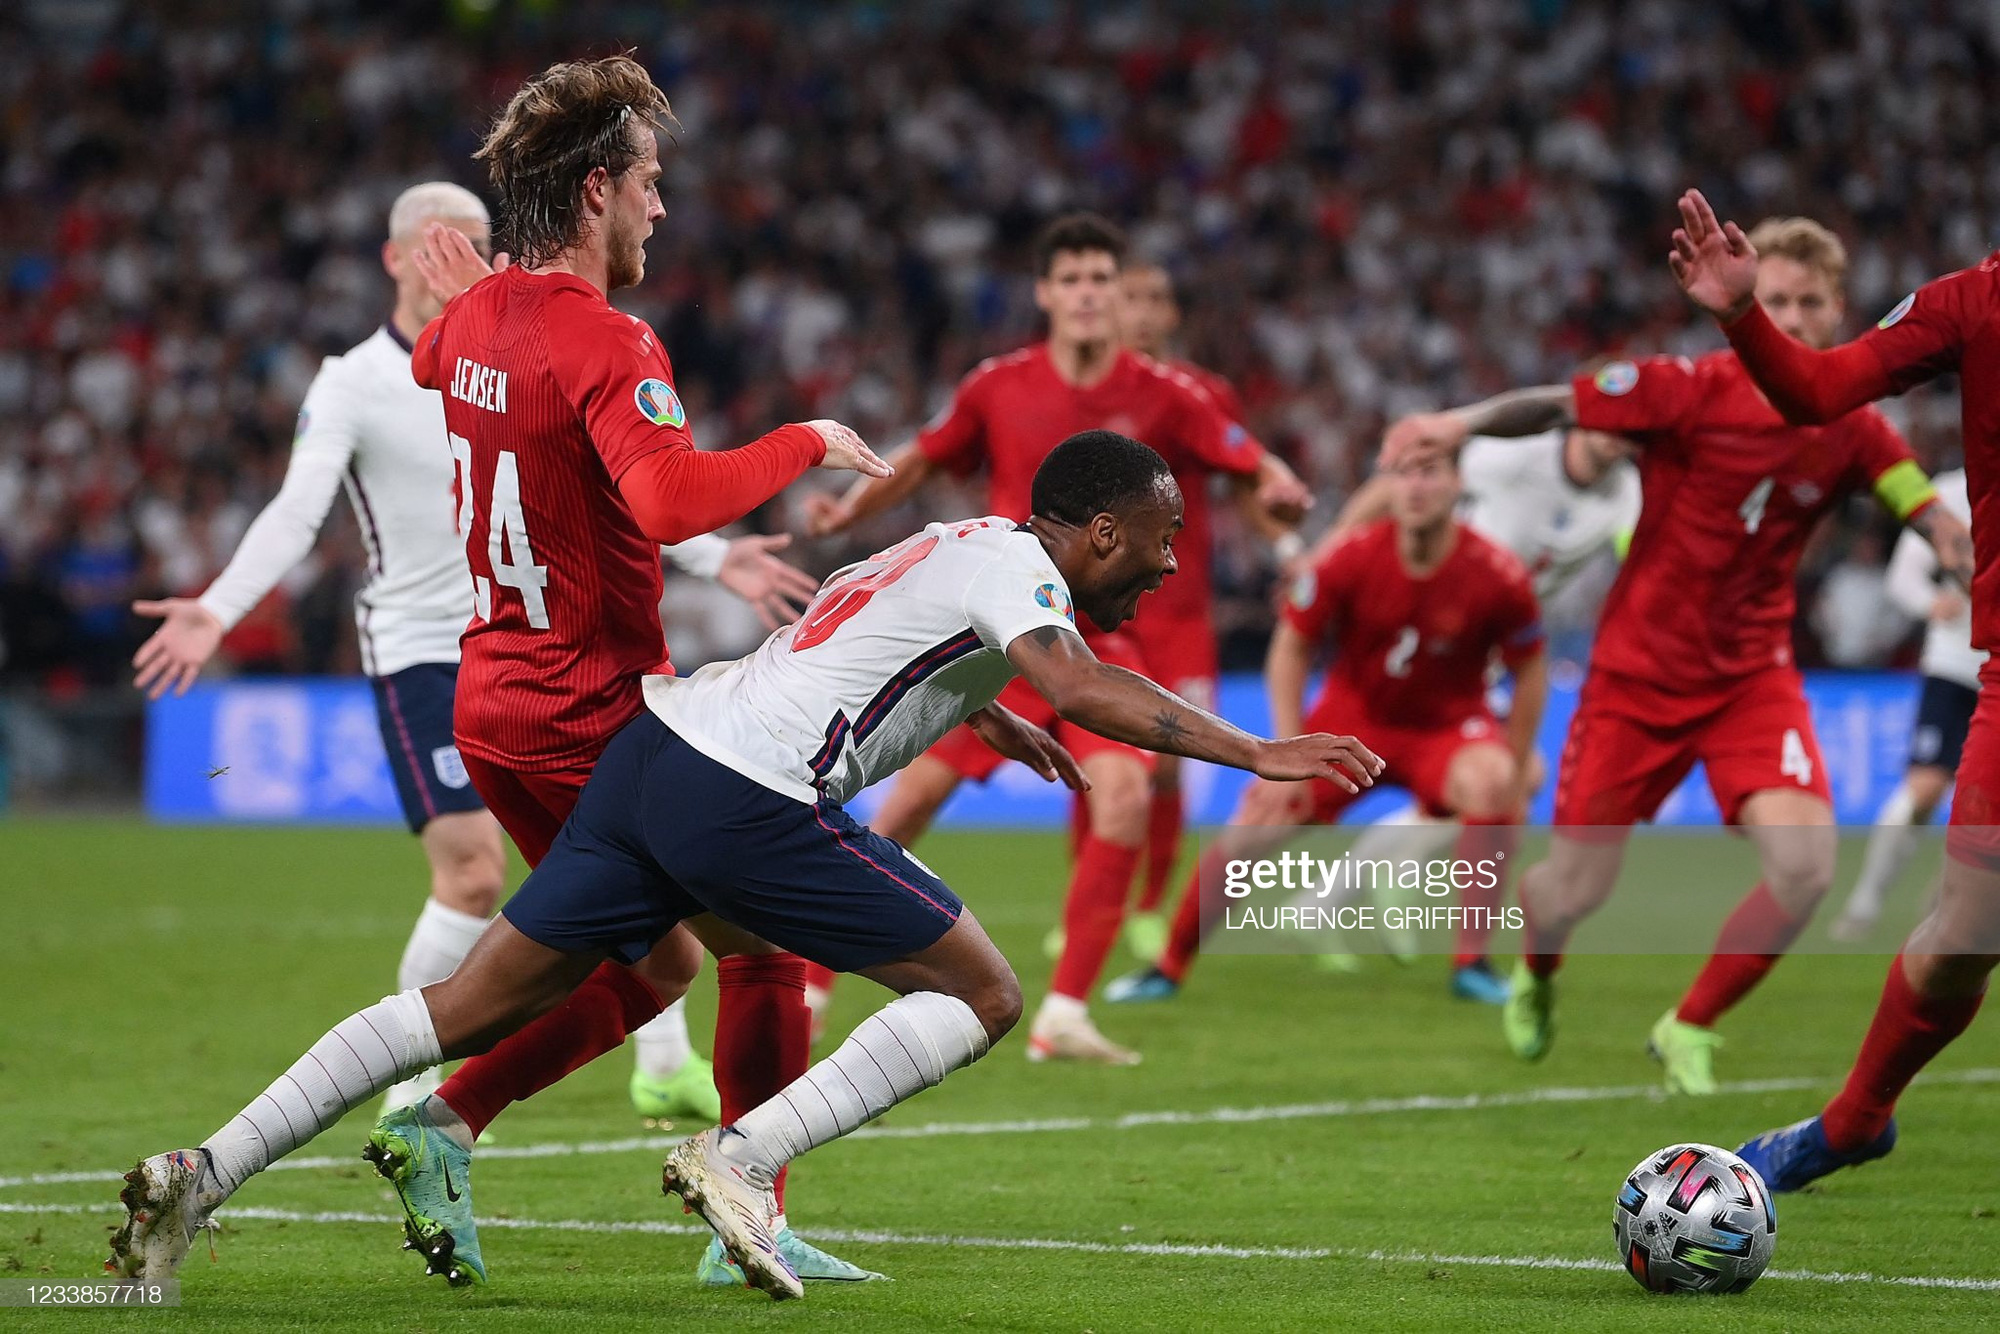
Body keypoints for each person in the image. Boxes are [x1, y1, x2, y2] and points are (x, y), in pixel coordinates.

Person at [107, 431, 1382, 1300]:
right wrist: (1254, 747)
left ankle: (198, 1172)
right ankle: (745, 1158)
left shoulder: (954, 542)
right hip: (746, 792)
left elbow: (853, 615)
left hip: (655, 757)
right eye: (1158, 538)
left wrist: (976, 704)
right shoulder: (1016, 570)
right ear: (1096, 530)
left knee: (464, 1009)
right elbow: (1083, 682)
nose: (1168, 560)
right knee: (983, 993)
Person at [126, 181, 821, 1121]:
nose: (447, 256)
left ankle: (656, 1066)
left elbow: (605, 482)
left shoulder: (501, 346)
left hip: (539, 651)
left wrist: (713, 557)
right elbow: (299, 510)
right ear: (394, 254)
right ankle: (412, 1094)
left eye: (469, 242)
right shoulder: (354, 380)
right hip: (423, 653)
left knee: (625, 878)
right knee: (475, 872)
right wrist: (218, 606)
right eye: (429, 242)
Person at [362, 54, 890, 1285]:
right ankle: (741, 1218)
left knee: (655, 962)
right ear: (598, 191)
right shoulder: (610, 337)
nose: (663, 206)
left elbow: (445, 359)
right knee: (764, 944)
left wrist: (473, 299)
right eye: (651, 182)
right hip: (591, 709)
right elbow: (660, 498)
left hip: (492, 702)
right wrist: (804, 436)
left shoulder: (476, 324)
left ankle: (444, 1120)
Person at [1381, 215, 1973, 1094]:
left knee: (1807, 867)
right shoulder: (1683, 389)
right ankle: (1538, 975)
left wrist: (1949, 536)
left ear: (1840, 309)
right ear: (1746, 304)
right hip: (1634, 679)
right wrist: (1456, 424)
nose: (1796, 318)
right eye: (1776, 300)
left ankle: (1690, 1021)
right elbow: (1559, 403)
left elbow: (1915, 499)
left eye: (1811, 302)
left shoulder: (1851, 426)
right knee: (1569, 893)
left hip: (1750, 680)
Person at [803, 214, 1310, 1064]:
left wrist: (1284, 504)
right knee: (913, 800)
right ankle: (812, 983)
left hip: (1092, 637)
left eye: (1099, 280)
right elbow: (924, 459)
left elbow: (1254, 464)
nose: (1085, 295)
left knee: (1127, 791)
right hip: (991, 641)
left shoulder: (1167, 391)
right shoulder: (999, 384)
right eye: (1069, 279)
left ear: (1117, 294)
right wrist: (845, 511)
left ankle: (1066, 1009)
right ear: (1044, 293)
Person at [1668, 186, 1996, 1187]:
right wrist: (1738, 313)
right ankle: (1853, 1120)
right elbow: (1815, 390)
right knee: (1959, 940)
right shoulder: (1971, 303)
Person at [1107, 449, 1545, 1002]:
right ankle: (1167, 967)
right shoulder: (1351, 557)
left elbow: (1532, 670)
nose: (1414, 487)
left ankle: (1472, 965)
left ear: (1459, 484)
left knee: (1491, 781)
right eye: (1403, 473)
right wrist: (1285, 747)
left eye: (1430, 472)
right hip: (1352, 722)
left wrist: (1515, 753)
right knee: (1259, 818)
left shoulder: (1497, 573)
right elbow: (1291, 647)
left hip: (1447, 729)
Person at [1254, 424, 1640, 999]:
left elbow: (1633, 562)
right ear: (1577, 418)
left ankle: (1343, 894)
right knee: (1512, 779)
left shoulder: (1625, 492)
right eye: (1606, 419)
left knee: (1511, 780)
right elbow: (1396, 489)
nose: (1617, 436)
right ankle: (1366, 891)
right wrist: (1325, 552)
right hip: (1441, 618)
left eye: (1629, 428)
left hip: (1490, 636)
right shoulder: (1508, 455)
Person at [1111, 262, 1305, 959]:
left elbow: (1248, 477)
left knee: (1166, 760)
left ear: (1172, 316)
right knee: (1100, 757)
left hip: (1181, 609)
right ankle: (1096, 893)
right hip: (1101, 607)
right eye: (1129, 297)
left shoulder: (1202, 394)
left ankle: (1151, 904)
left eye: (1155, 299)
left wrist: (1286, 547)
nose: (1140, 311)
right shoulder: (1082, 391)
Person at [1831, 466, 1985, 941]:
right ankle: (1866, 899)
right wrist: (1930, 604)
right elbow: (1903, 577)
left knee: (1987, 806)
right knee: (1924, 791)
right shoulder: (1950, 493)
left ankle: (1949, 898)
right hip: (1956, 666)